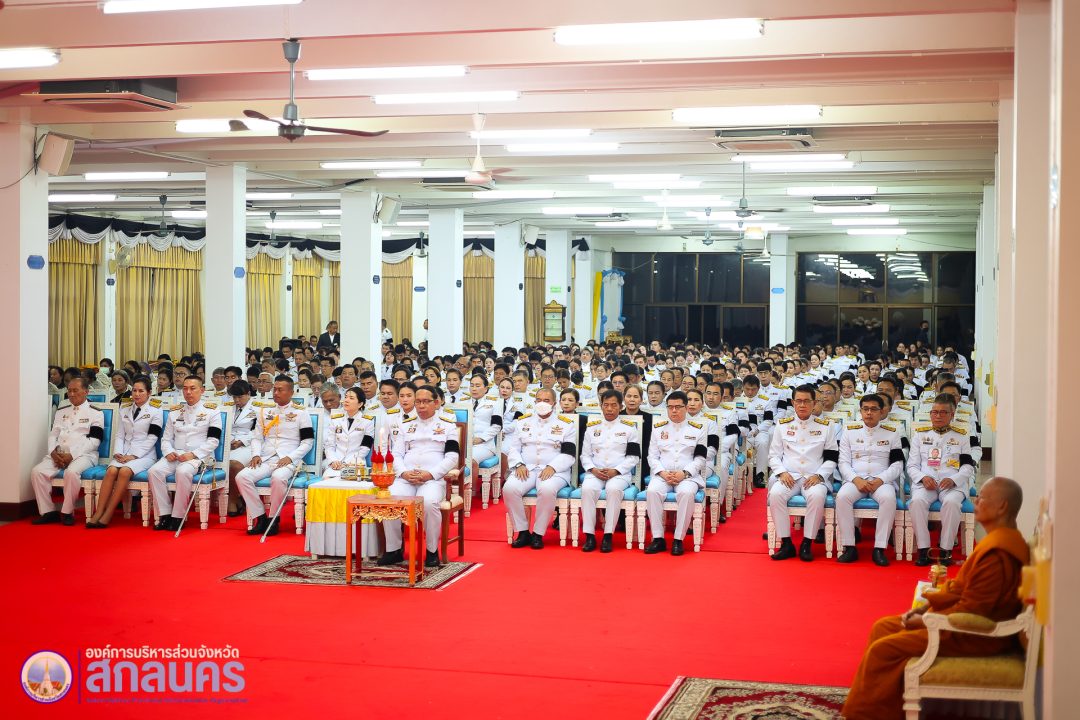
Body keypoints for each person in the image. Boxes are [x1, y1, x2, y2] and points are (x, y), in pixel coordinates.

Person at [842, 477, 1029, 720]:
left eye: (981, 497)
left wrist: (925, 619)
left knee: (883, 650)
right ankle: (886, 708)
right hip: (962, 622)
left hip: (976, 636)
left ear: (1002, 506)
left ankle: (866, 715)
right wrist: (928, 607)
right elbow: (963, 593)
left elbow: (973, 612)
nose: (976, 501)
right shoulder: (996, 541)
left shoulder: (998, 553)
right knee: (883, 627)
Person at [377, 386, 460, 568]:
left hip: (432, 478)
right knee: (389, 498)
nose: (421, 406)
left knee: (429, 503)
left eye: (425, 402)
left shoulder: (448, 425)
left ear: (436, 403)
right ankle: (393, 549)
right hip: (406, 477)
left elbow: (453, 457)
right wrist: (403, 473)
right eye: (418, 402)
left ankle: (431, 551)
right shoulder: (406, 425)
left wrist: (431, 474)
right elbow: (396, 454)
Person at [235, 376, 314, 537]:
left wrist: (291, 458)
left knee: (278, 478)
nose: (276, 393)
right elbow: (257, 437)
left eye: (280, 390)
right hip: (266, 458)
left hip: (288, 459)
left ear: (291, 392)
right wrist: (256, 454)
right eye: (274, 389)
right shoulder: (265, 411)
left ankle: (274, 518)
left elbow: (307, 442)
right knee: (242, 477)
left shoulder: (301, 413)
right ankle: (260, 516)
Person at [767, 384, 839, 562]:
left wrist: (820, 475)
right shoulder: (782, 425)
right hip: (789, 476)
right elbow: (773, 455)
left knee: (817, 496)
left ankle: (807, 543)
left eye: (807, 401)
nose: (802, 405)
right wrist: (781, 472)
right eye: (798, 401)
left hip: (813, 477)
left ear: (814, 403)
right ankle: (786, 543)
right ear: (792, 402)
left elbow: (832, 457)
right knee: (775, 494)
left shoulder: (826, 426)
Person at [502, 387, 578, 550]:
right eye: (539, 400)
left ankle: (538, 533)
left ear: (554, 403)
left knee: (546, 489)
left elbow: (569, 454)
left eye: (546, 400)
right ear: (534, 402)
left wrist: (553, 466)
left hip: (554, 471)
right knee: (509, 488)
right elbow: (514, 448)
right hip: (526, 468)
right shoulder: (523, 422)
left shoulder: (566, 424)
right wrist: (518, 464)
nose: (542, 404)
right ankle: (523, 531)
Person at [907, 393, 976, 566]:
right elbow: (912, 466)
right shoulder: (920, 436)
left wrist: (954, 479)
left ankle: (945, 551)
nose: (937, 416)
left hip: (952, 484)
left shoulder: (961, 437)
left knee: (952, 503)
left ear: (952, 415)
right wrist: (923, 478)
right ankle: (924, 550)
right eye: (934, 412)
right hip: (926, 483)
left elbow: (968, 467)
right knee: (916, 502)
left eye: (943, 412)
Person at [835, 394, 904, 566]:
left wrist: (881, 479)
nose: (869, 413)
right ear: (860, 411)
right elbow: (843, 463)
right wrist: (855, 479)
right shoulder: (849, 432)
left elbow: (897, 465)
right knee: (842, 497)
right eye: (865, 409)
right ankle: (849, 546)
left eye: (873, 409)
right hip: (855, 479)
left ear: (882, 412)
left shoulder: (892, 434)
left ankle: (879, 548)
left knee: (888, 499)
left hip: (881, 481)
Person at [146, 377, 223, 531]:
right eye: (185, 388)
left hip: (200, 456)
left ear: (201, 390)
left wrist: (193, 454)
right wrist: (168, 452)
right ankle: (164, 514)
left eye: (192, 388)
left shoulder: (212, 411)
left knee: (182, 471)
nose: (188, 392)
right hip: (176, 454)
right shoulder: (175, 412)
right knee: (154, 471)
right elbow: (166, 438)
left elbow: (213, 441)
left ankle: (178, 516)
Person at [87, 376, 163, 528]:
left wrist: (134, 456)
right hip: (124, 452)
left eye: (141, 391)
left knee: (124, 472)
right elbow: (120, 434)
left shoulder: (156, 409)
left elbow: (153, 437)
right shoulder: (125, 407)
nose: (136, 394)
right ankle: (99, 511)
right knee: (111, 471)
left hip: (144, 455)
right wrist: (118, 452)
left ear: (149, 392)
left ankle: (108, 512)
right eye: (134, 390)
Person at [31, 377, 105, 525]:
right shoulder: (62, 411)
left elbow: (95, 441)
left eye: (75, 390)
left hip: (84, 455)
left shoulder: (96, 413)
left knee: (71, 473)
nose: (71, 394)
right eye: (69, 391)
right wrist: (52, 451)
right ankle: (48, 511)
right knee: (37, 472)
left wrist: (72, 455)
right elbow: (54, 434)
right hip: (59, 453)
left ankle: (67, 512)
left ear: (86, 391)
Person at [643, 390, 708, 556]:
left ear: (686, 408)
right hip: (663, 475)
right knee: (652, 491)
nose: (674, 410)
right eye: (670, 407)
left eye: (678, 407)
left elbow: (700, 458)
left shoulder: (698, 429)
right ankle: (658, 538)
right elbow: (652, 456)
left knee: (686, 493)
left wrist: (684, 473)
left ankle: (678, 539)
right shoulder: (658, 429)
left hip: (688, 476)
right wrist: (662, 473)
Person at [579, 390, 640, 553]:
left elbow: (634, 457)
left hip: (619, 474)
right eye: (606, 405)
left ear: (621, 407)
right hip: (595, 472)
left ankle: (608, 535)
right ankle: (589, 535)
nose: (610, 409)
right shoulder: (591, 429)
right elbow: (585, 455)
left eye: (614, 405)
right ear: (601, 406)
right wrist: (592, 469)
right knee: (587, 489)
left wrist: (616, 470)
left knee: (613, 490)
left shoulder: (629, 429)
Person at [223, 380, 257, 517]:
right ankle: (236, 498)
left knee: (234, 465)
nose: (237, 400)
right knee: (222, 463)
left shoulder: (257, 407)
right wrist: (229, 441)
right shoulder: (228, 407)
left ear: (248, 394)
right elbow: (224, 427)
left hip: (249, 444)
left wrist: (241, 441)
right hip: (228, 443)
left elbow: (259, 431)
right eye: (234, 397)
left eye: (240, 397)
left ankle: (233, 499)